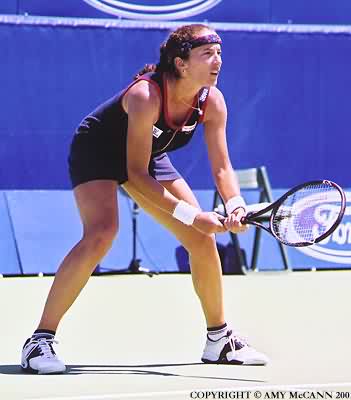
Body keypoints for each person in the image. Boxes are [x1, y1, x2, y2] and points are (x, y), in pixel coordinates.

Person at [21, 23, 268, 374]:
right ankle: (39, 341)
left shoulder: (211, 101)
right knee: (102, 233)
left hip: (147, 154)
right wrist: (192, 214)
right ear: (181, 63)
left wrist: (235, 205)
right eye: (207, 54)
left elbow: (223, 168)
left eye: (219, 54)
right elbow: (135, 176)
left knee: (201, 240)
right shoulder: (146, 96)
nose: (217, 62)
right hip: (99, 150)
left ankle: (219, 339)